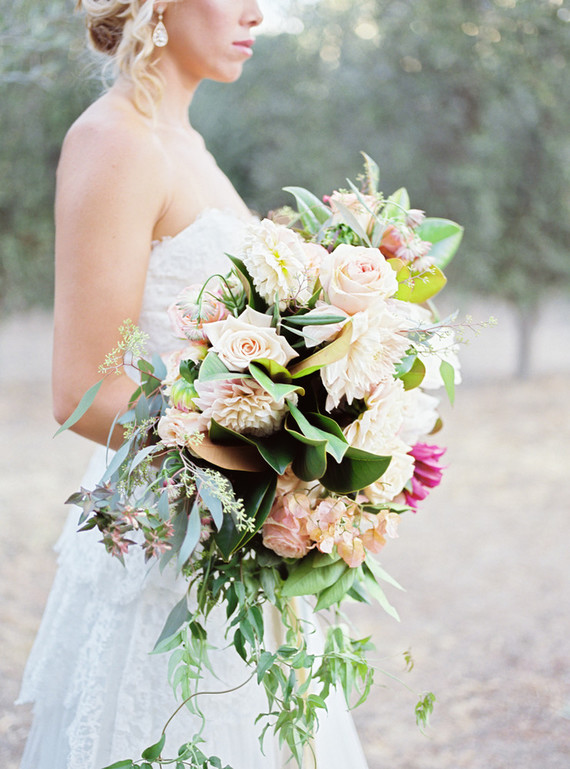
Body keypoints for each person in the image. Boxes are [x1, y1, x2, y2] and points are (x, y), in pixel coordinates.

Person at [17, 2, 371, 767]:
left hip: (234, 541)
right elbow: (82, 387)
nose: (257, 13)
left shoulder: (187, 144)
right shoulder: (115, 141)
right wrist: (271, 472)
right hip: (171, 548)